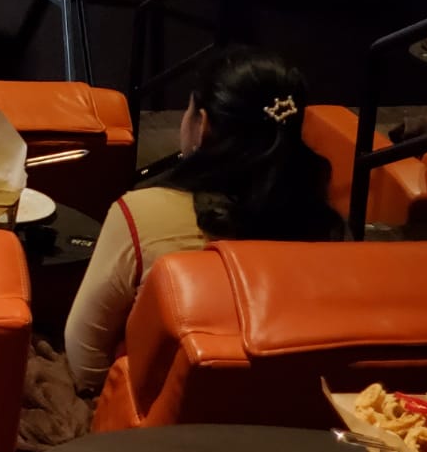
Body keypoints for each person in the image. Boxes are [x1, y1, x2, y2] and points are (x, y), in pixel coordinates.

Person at [63, 45, 342, 396]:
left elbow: (84, 361)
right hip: (282, 414)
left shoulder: (140, 215)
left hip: (154, 422)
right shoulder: (325, 226)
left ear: (203, 124)